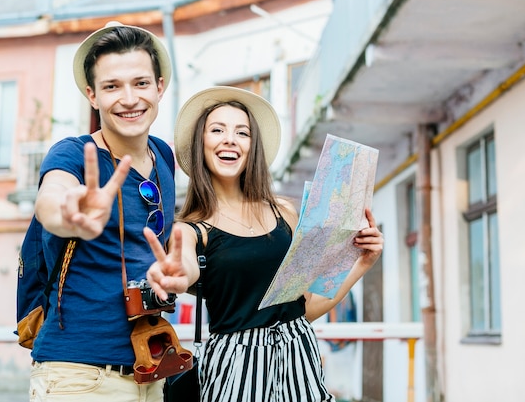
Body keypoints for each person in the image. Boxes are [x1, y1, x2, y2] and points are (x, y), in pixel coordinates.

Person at [145, 86, 384, 401]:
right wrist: (178, 273)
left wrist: (362, 262)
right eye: (217, 129)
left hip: (300, 359)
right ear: (201, 144)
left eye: (242, 132)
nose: (230, 138)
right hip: (236, 370)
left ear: (251, 146)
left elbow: (305, 307)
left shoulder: (284, 212)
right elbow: (184, 265)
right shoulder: (191, 229)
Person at [29, 21, 198, 402]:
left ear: (159, 86)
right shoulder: (73, 154)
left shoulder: (164, 156)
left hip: (149, 368)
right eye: (111, 86)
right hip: (78, 375)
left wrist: (181, 272)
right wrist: (70, 214)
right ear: (92, 95)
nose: (129, 98)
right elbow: (51, 199)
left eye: (140, 83)